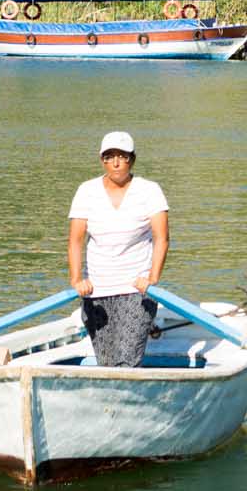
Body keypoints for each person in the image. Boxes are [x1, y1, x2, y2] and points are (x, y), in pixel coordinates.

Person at [67, 131, 170, 367]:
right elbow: (75, 240)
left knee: (127, 361)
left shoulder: (149, 190)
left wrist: (152, 278)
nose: (115, 162)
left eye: (122, 156)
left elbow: (162, 238)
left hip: (136, 291)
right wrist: (76, 279)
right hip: (97, 293)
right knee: (107, 363)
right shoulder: (87, 191)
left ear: (131, 160)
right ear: (102, 160)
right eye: (109, 156)